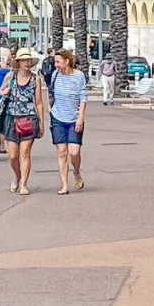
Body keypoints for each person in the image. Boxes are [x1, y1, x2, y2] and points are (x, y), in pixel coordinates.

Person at [0, 48, 45, 197]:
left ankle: (24, 183)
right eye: (23, 60)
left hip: (29, 118)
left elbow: (38, 102)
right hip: (11, 117)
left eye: (28, 60)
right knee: (13, 155)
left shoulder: (35, 78)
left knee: (25, 152)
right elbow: (1, 89)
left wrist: (41, 122)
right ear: (18, 62)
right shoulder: (10, 76)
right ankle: (17, 176)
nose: (26, 62)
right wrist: (3, 92)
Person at [47, 49, 88, 196]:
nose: (55, 65)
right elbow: (50, 91)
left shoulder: (78, 76)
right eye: (55, 62)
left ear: (67, 61)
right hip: (58, 117)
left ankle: (76, 172)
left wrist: (81, 117)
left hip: (74, 118)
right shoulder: (55, 75)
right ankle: (64, 184)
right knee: (62, 152)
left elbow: (83, 97)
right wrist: (49, 107)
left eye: (58, 62)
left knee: (74, 151)